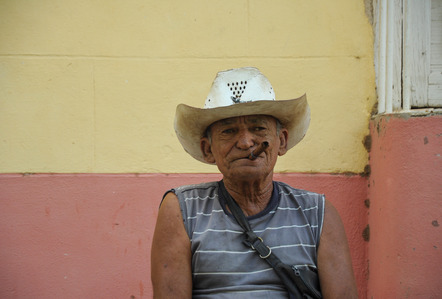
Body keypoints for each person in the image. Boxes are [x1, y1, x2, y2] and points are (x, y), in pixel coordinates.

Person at [151, 67, 357, 298]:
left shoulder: (317, 214)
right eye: (229, 131)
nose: (246, 143)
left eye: (258, 128)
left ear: (281, 141)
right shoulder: (182, 209)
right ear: (208, 150)